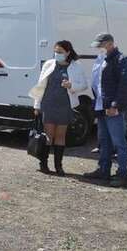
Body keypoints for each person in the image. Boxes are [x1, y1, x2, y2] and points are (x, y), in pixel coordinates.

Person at [29, 40, 90, 176]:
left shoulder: (76, 66)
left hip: (65, 104)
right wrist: (37, 105)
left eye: (60, 52)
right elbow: (40, 85)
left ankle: (58, 166)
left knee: (60, 136)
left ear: (68, 52)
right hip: (48, 104)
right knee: (48, 136)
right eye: (55, 51)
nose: (57, 54)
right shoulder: (49, 64)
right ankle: (43, 164)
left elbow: (84, 85)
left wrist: (71, 85)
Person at [83, 33, 127, 187]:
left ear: (110, 43)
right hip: (101, 105)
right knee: (104, 140)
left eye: (101, 45)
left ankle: (123, 173)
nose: (98, 48)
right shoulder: (101, 59)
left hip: (112, 107)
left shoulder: (123, 60)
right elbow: (97, 83)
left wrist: (115, 105)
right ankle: (103, 170)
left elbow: (125, 85)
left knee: (119, 141)